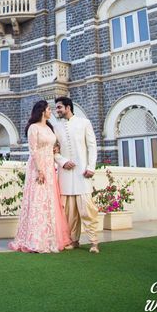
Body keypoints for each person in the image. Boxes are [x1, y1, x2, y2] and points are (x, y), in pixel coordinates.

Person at [9, 100, 71, 253]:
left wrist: (55, 150)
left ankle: (51, 238)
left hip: (50, 167)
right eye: (49, 109)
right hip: (38, 168)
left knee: (49, 200)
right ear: (42, 111)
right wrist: (39, 170)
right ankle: (35, 239)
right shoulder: (33, 128)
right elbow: (33, 150)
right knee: (37, 200)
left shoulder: (50, 129)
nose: (51, 112)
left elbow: (53, 147)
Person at [54, 96, 100, 253]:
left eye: (59, 107)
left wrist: (91, 167)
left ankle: (94, 242)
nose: (57, 110)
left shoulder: (84, 123)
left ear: (68, 107)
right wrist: (62, 161)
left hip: (82, 173)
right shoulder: (55, 127)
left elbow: (92, 146)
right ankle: (74, 241)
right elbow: (53, 150)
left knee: (87, 210)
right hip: (65, 174)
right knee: (69, 212)